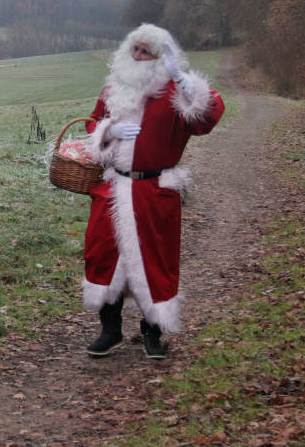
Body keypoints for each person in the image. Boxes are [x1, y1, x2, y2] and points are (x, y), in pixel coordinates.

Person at [81, 24, 225, 360]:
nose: (140, 56)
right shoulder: (113, 88)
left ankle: (153, 332)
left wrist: (182, 79)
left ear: (163, 56)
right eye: (136, 50)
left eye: (148, 52)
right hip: (114, 188)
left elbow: (208, 115)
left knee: (155, 261)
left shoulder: (175, 93)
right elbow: (91, 122)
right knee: (104, 255)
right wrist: (107, 129)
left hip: (154, 191)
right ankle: (110, 329)